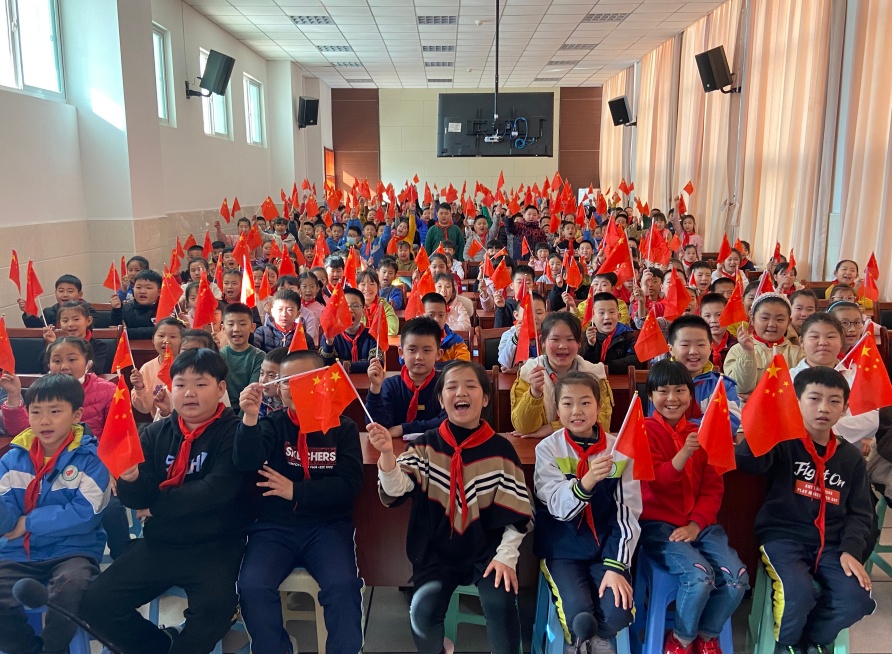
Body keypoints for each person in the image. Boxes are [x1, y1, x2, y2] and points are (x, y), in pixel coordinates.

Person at [80, 349, 250, 654]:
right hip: (161, 541)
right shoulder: (156, 432)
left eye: (200, 384)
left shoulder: (235, 432)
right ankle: (160, 646)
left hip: (216, 545)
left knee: (213, 612)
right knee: (97, 603)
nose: (189, 393)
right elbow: (137, 498)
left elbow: (216, 491)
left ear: (221, 388)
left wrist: (156, 505)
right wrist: (131, 480)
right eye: (180, 384)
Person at [368, 360, 534, 654]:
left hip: (488, 552)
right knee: (422, 614)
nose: (461, 392)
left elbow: (518, 512)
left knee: (501, 605)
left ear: (485, 398)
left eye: (471, 386)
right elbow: (396, 489)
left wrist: (506, 557)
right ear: (441, 399)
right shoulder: (425, 445)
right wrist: (386, 456)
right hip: (437, 553)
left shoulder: (501, 449)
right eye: (452, 387)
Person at [735, 366, 877, 654]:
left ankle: (812, 640)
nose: (824, 408)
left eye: (834, 401)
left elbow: (861, 513)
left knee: (857, 599)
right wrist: (767, 423)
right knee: (798, 593)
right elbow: (747, 461)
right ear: (796, 402)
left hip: (832, 545)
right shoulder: (783, 444)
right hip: (783, 538)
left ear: (845, 408)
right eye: (814, 399)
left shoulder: (850, 457)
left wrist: (851, 549)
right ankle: (787, 645)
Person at [234, 350, 364, 653]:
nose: (294, 388)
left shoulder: (343, 428)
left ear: (323, 383)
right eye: (286, 381)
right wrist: (249, 418)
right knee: (252, 586)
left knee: (342, 587)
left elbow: (349, 485)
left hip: (327, 528)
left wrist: (296, 491)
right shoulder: (272, 424)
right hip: (274, 527)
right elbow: (245, 462)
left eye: (305, 380)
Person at [639, 360, 748, 654]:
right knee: (700, 577)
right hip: (659, 526)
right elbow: (657, 481)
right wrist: (684, 453)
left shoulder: (701, 432)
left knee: (737, 579)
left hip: (701, 525)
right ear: (650, 395)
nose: (672, 398)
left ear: (691, 394)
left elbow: (713, 488)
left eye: (680, 390)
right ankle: (681, 639)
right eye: (663, 391)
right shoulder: (645, 431)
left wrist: (696, 524)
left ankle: (707, 635)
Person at [0, 374, 110, 654]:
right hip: (18, 552)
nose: (44, 421)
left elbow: (85, 514)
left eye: (55, 411)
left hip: (72, 552)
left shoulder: (92, 458)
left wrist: (29, 522)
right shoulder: (12, 459)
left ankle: (54, 649)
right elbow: (7, 520)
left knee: (71, 589)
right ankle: (25, 649)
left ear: (76, 415)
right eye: (36, 412)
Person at [533, 372, 642, 653]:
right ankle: (579, 642)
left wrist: (616, 566)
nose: (576, 411)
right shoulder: (547, 449)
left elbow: (628, 514)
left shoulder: (619, 451)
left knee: (617, 612)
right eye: (567, 403)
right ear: (557, 410)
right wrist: (588, 481)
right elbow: (557, 507)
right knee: (579, 615)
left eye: (585, 402)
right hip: (563, 549)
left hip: (605, 548)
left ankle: (596, 640)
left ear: (599, 406)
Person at [511, 313, 613, 438]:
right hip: (540, 445)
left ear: (579, 342)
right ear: (543, 341)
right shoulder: (530, 373)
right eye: (555, 339)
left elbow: (603, 424)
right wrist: (534, 393)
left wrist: (552, 428)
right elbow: (524, 428)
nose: (563, 346)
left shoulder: (594, 375)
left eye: (570, 340)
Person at [789, 313, 878, 456]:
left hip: (851, 454)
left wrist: (826, 430)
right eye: (814, 336)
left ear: (841, 341)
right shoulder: (788, 379)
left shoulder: (857, 376)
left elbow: (873, 417)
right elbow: (789, 420)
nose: (823, 342)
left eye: (830, 337)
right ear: (801, 341)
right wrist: (835, 432)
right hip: (798, 452)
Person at [366, 317, 447, 439]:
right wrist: (375, 388)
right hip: (393, 448)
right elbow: (377, 426)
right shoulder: (391, 385)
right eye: (412, 350)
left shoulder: (446, 384)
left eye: (426, 350)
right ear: (401, 352)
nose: (419, 357)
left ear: (438, 354)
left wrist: (402, 429)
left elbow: (449, 420)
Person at [666, 315, 743, 433]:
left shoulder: (723, 385)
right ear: (671, 349)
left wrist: (686, 426)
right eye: (685, 345)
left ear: (710, 348)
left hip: (712, 443)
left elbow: (731, 421)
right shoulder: (661, 382)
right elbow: (659, 422)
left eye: (701, 345)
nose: (693, 351)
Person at [724, 293, 804, 396]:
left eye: (780, 320)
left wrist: (762, 398)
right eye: (765, 318)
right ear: (752, 320)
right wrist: (748, 353)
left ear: (789, 322)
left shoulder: (798, 354)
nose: (772, 324)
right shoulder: (738, 350)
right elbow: (740, 387)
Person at [130, 318, 185, 419]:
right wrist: (139, 388)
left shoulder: (189, 366)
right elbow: (145, 408)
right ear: (153, 339)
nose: (166, 341)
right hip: (161, 422)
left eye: (173, 336)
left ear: (183, 341)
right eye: (161, 336)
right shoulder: (147, 368)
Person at [40, 301, 111, 374]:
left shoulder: (99, 346)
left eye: (76, 319)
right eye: (65, 321)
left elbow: (95, 370)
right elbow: (41, 369)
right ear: (59, 324)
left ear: (88, 321)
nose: (70, 324)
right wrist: (51, 344)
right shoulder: (57, 345)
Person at [320, 287, 379, 374]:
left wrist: (346, 365)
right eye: (345, 306)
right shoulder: (330, 335)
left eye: (355, 306)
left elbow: (376, 364)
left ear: (363, 310)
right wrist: (329, 343)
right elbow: (325, 365)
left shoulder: (372, 334)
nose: (350, 310)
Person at [581, 292, 642, 375]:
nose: (607, 317)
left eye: (612, 312)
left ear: (619, 316)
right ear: (592, 317)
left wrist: (605, 367)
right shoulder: (585, 337)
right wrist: (590, 346)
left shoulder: (628, 336)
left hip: (620, 382)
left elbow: (635, 360)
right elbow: (583, 364)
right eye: (601, 313)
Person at [219, 303, 265, 408]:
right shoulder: (219, 356)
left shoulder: (259, 356)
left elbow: (253, 392)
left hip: (250, 409)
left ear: (252, 327)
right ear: (223, 328)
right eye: (231, 324)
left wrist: (243, 417)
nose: (236, 329)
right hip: (224, 411)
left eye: (242, 324)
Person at [18, 274, 96, 328]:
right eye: (61, 291)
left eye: (70, 291)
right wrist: (29, 312)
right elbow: (37, 331)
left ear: (80, 294)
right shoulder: (49, 312)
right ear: (55, 293)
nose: (65, 295)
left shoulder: (88, 311)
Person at [253, 288, 317, 353]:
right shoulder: (262, 332)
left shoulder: (305, 338)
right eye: (280, 309)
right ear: (272, 311)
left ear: (297, 314)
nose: (284, 314)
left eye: (289, 310)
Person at [498, 292, 547, 371]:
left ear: (546, 314)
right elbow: (505, 364)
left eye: (539, 313)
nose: (534, 317)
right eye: (528, 312)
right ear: (516, 315)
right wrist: (516, 338)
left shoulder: (550, 334)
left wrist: (519, 368)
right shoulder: (508, 335)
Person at [109, 269, 162, 339]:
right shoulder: (125, 309)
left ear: (159, 292)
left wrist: (128, 332)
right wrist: (116, 310)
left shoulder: (166, 310)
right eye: (138, 287)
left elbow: (161, 331)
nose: (142, 291)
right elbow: (116, 332)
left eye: (148, 288)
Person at [422, 292, 471, 364]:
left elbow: (462, 365)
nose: (437, 320)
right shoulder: (413, 339)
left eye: (441, 315)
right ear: (421, 316)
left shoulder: (456, 341)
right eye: (431, 315)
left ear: (446, 317)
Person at [697, 293, 737, 372]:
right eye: (707, 316)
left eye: (719, 315)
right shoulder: (696, 347)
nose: (713, 320)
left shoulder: (737, 346)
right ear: (700, 316)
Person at [357, 269, 399, 336]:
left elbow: (393, 329)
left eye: (371, 284)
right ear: (357, 288)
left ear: (378, 287)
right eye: (363, 284)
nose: (367, 288)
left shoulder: (384, 305)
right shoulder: (353, 305)